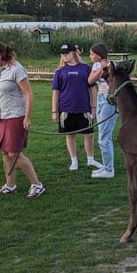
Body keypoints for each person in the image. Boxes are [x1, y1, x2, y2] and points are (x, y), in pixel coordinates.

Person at [0, 41, 45, 199]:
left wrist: (27, 117)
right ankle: (10, 185)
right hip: (2, 117)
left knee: (15, 154)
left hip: (16, 115)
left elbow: (28, 94)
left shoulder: (16, 69)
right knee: (5, 152)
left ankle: (37, 185)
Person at [51, 43, 101, 172]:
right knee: (70, 135)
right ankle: (74, 161)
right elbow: (55, 92)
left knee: (89, 134)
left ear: (74, 53)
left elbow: (93, 89)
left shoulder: (85, 68)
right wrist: (54, 111)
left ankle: (90, 159)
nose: (64, 56)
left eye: (66, 53)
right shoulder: (60, 71)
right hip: (66, 108)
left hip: (84, 108)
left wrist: (94, 108)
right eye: (62, 53)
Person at [88, 43, 118, 179]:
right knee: (102, 134)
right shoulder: (96, 66)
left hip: (109, 99)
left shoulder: (113, 65)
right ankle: (106, 167)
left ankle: (109, 169)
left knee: (104, 138)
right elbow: (90, 81)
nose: (90, 56)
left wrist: (105, 68)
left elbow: (114, 81)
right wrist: (100, 69)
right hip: (100, 98)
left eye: (92, 54)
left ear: (99, 55)